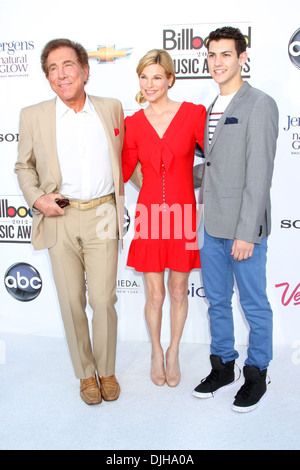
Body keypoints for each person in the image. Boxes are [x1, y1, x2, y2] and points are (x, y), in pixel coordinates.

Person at [15, 38, 125, 406]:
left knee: (104, 298)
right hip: (59, 215)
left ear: (85, 71)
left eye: (67, 66)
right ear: (47, 77)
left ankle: (106, 369)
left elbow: (130, 158)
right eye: (52, 69)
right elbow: (23, 166)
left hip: (104, 213)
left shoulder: (111, 109)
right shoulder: (33, 115)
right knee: (70, 301)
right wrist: (36, 198)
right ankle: (85, 374)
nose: (61, 75)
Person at [192, 27, 279, 412]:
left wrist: (247, 233)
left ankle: (257, 370)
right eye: (212, 55)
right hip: (210, 226)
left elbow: (259, 173)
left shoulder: (259, 103)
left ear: (243, 57)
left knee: (254, 303)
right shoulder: (211, 106)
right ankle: (223, 365)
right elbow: (212, 166)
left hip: (242, 230)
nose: (217, 62)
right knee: (217, 302)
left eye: (226, 54)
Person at [122, 49, 206, 387]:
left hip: (183, 212)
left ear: (170, 79)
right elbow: (124, 169)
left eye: (157, 76)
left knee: (179, 291)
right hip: (151, 215)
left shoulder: (193, 114)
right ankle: (156, 350)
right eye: (144, 77)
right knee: (154, 295)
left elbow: (216, 153)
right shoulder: (133, 123)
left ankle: (174, 351)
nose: (150, 83)